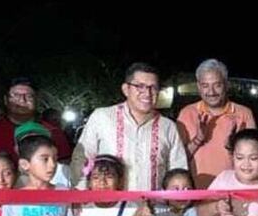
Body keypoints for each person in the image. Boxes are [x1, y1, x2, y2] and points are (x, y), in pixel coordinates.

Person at [72, 63, 188, 191]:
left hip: (154, 207)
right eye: (140, 86)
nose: (147, 93)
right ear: (126, 89)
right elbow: (81, 157)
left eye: (153, 87)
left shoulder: (168, 127)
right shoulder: (102, 117)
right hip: (109, 207)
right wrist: (81, 193)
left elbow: (178, 168)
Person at [176, 59, 256, 189]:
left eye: (217, 85)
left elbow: (255, 160)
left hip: (234, 191)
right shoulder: (186, 113)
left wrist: (233, 146)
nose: (211, 92)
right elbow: (177, 160)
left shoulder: (244, 114)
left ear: (226, 84)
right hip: (197, 193)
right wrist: (198, 139)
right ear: (198, 86)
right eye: (205, 85)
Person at [0, 77, 72, 161]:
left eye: (29, 96)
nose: (22, 100)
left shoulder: (53, 132)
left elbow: (65, 166)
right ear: (6, 100)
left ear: (36, 100)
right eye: (16, 95)